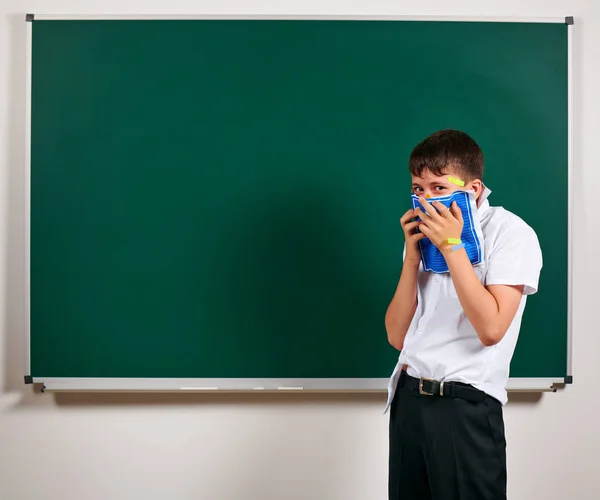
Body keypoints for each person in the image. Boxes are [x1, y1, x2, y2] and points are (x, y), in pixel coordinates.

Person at [384, 129, 543, 500]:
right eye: (418, 188)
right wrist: (412, 257)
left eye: (439, 187)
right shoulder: (423, 239)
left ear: (472, 189)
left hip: (464, 407)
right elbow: (396, 336)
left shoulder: (510, 233)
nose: (426, 199)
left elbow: (491, 328)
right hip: (408, 401)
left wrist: (453, 246)